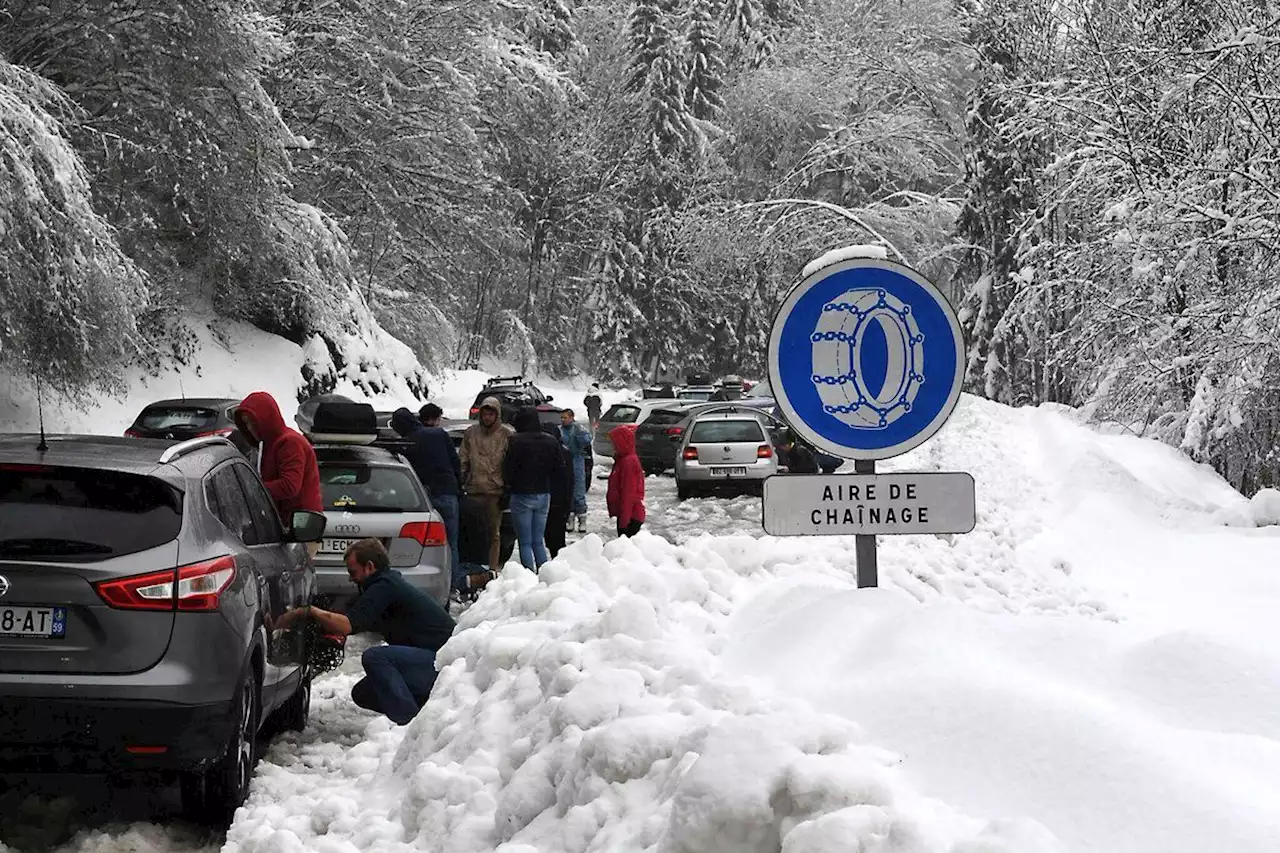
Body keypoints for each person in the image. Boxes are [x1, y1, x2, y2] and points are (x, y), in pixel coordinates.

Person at [277, 538, 455, 725]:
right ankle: (426, 713)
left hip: (442, 665)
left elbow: (346, 625)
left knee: (376, 657)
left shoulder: (385, 587)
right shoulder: (384, 585)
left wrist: (308, 611)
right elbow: (349, 619)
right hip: (430, 661)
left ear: (369, 566)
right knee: (364, 693)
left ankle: (410, 724)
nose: (351, 578)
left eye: (353, 572)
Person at [233, 391, 323, 552]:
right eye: (245, 423)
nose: (249, 427)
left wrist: (254, 490)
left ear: (266, 419)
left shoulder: (289, 443)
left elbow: (290, 486)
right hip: (288, 527)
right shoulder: (268, 444)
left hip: (299, 529)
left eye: (252, 421)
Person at [390, 404, 462, 589]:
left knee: (429, 544)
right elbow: (455, 462)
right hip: (447, 492)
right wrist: (459, 486)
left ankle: (429, 580)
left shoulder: (405, 443)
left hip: (422, 499)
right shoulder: (439, 434)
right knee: (451, 543)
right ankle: (452, 585)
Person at [502, 407, 563, 570]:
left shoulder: (515, 441)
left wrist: (507, 488)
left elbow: (508, 468)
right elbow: (559, 468)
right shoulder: (551, 440)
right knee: (538, 540)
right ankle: (543, 570)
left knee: (525, 542)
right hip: (544, 493)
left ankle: (528, 573)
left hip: (521, 493)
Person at [459, 397, 514, 572]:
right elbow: (463, 459)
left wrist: (508, 488)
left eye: (491, 414)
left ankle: (492, 568)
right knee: (472, 533)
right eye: (485, 413)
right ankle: (473, 568)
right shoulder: (471, 433)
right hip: (473, 489)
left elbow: (512, 463)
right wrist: (461, 480)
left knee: (494, 534)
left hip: (495, 491)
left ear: (497, 415)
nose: (488, 417)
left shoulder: (506, 435)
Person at [541, 423, 574, 558]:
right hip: (558, 501)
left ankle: (557, 563)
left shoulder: (558, 453)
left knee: (553, 538)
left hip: (553, 501)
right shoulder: (564, 452)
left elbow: (569, 481)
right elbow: (570, 481)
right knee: (555, 538)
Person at [606, 424, 646, 537]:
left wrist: (624, 521)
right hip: (626, 514)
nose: (613, 446)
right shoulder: (622, 459)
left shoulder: (628, 462)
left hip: (630, 516)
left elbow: (628, 493)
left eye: (615, 443)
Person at [559, 409, 592, 532]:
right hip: (564, 463)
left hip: (576, 462)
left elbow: (587, 441)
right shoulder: (560, 430)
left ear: (572, 417)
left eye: (565, 417)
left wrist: (580, 435)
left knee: (578, 492)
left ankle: (582, 519)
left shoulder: (578, 429)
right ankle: (570, 518)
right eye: (561, 417)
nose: (563, 420)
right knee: (567, 492)